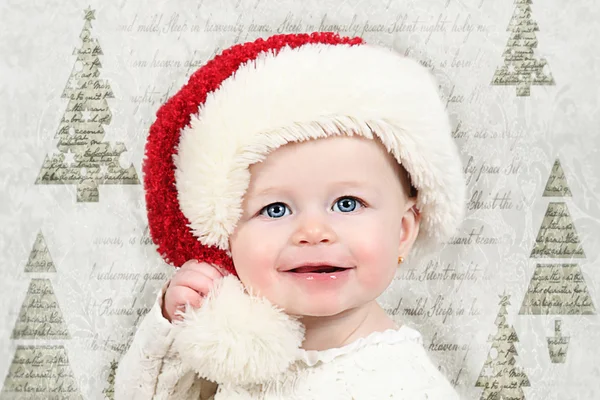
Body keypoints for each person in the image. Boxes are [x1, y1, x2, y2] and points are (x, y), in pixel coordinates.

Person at [115, 32, 466, 399]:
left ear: (403, 230)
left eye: (347, 203)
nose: (313, 232)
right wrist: (178, 327)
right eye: (276, 209)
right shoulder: (239, 356)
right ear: (226, 236)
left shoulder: (404, 386)